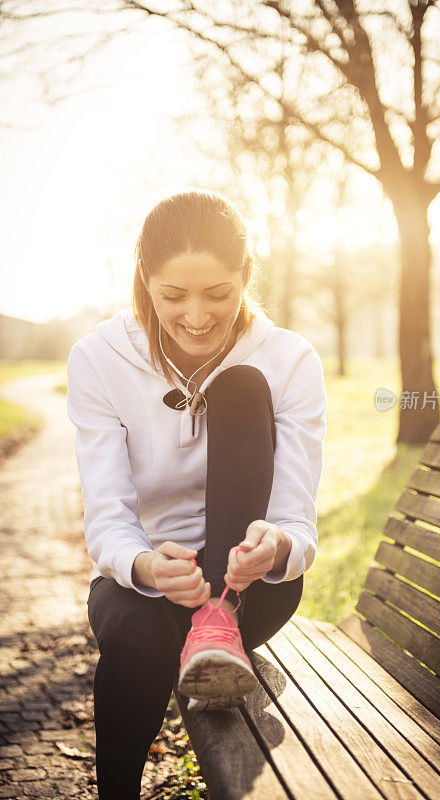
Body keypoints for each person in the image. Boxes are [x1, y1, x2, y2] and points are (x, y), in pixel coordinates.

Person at [66, 188, 328, 799]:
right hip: (147, 585)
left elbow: (298, 521)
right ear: (143, 280)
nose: (197, 316)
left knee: (240, 385)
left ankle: (220, 623)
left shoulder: (290, 359)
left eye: (218, 294)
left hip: (250, 587)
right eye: (172, 296)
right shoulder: (98, 360)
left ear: (246, 277)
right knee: (134, 635)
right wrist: (145, 565)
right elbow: (107, 517)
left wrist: (276, 545)